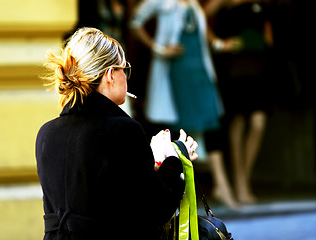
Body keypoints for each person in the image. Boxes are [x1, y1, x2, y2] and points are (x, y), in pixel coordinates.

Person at [35, 27, 199, 240]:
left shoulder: (46, 133)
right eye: (125, 69)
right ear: (110, 74)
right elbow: (154, 210)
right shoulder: (123, 129)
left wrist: (152, 160)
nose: (127, 76)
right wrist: (173, 158)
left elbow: (98, 191)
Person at [130, 0, 238, 208]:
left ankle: (220, 186)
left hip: (200, 71)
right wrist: (158, 48)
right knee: (183, 132)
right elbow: (135, 21)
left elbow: (202, 30)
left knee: (210, 121)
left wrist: (219, 44)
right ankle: (189, 193)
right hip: (178, 73)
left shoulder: (194, 3)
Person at [204, 0, 274, 204]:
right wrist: (218, 42)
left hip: (258, 67)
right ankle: (240, 184)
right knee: (237, 123)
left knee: (258, 122)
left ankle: (244, 179)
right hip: (233, 68)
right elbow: (200, 16)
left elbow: (269, 37)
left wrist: (257, 41)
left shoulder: (260, 4)